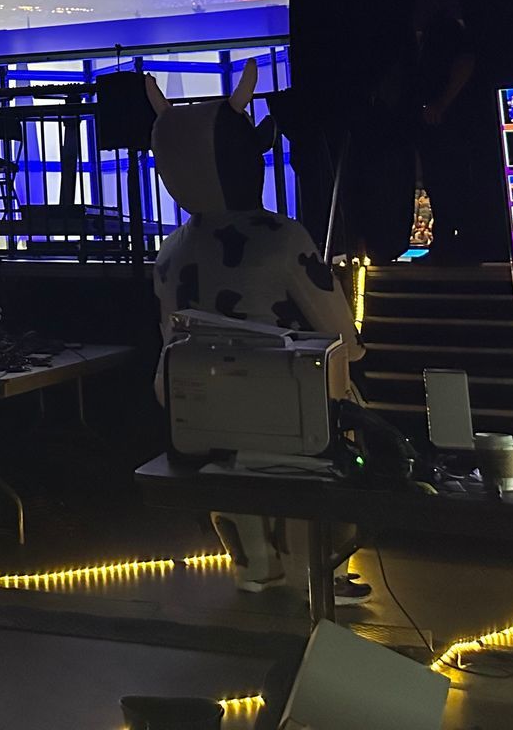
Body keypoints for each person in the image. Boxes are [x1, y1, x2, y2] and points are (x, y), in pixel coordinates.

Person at [147, 62, 368, 604]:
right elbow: (335, 328)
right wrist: (353, 353)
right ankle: (325, 570)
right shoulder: (282, 237)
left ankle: (255, 564)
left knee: (235, 480)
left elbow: (169, 333)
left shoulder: (173, 249)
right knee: (331, 458)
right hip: (291, 397)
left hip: (201, 403)